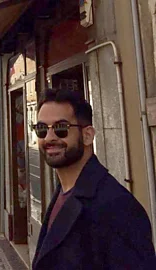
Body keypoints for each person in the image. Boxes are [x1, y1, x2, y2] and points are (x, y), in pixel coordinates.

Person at [32, 89, 156, 269]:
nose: (49, 138)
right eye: (42, 129)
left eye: (61, 128)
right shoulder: (63, 191)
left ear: (87, 135)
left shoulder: (117, 208)